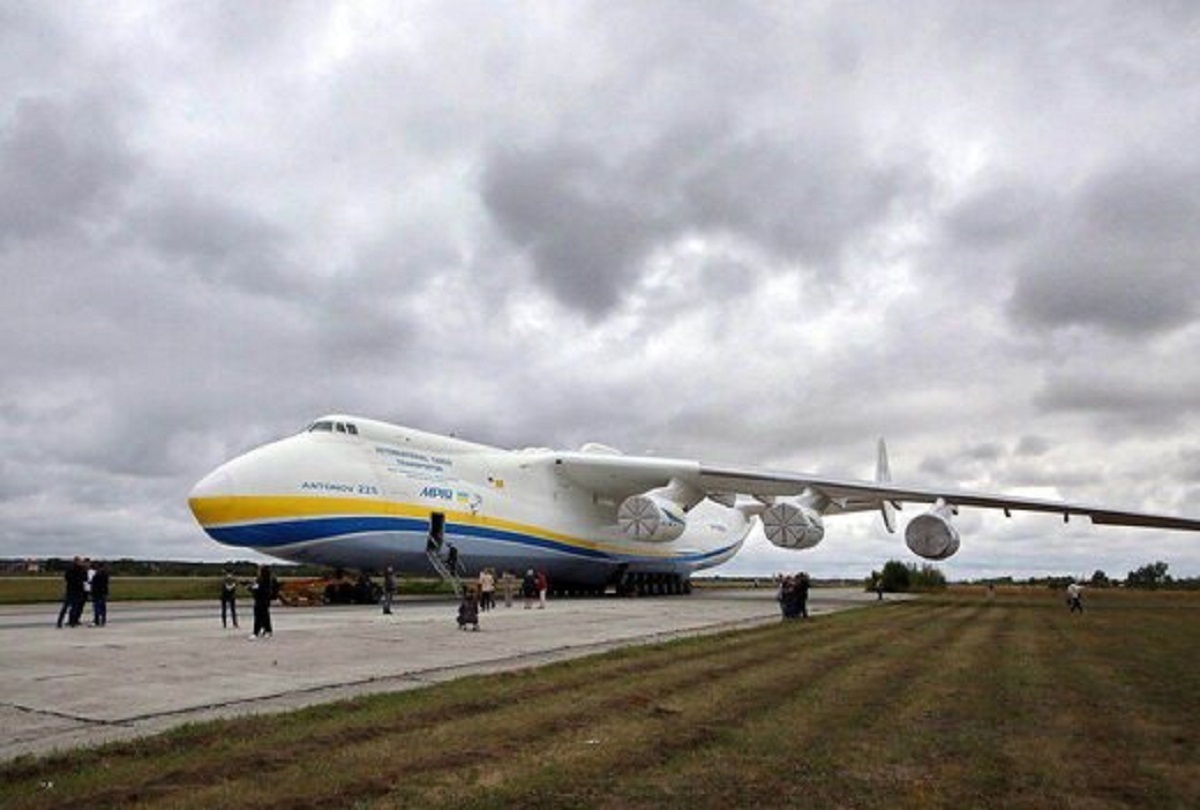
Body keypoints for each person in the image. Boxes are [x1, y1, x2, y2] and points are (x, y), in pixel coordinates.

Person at [56, 557, 86, 628]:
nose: (81, 563)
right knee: (73, 607)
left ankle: (60, 622)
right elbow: (84, 579)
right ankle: (72, 622)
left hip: (71, 590)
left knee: (67, 607)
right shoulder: (80, 570)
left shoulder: (70, 569)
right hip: (76, 591)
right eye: (80, 561)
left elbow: (67, 578)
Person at [249, 564, 276, 639]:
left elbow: (262, 590)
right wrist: (252, 588)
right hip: (259, 600)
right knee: (262, 616)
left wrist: (254, 588)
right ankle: (265, 631)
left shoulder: (266, 581)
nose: (258, 571)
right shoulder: (260, 580)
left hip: (263, 600)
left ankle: (258, 632)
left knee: (262, 616)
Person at [89, 561, 110, 627]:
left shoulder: (97, 575)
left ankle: (97, 620)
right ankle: (103, 620)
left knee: (97, 607)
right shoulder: (106, 574)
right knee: (102, 607)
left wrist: (91, 592)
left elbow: (94, 585)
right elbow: (106, 584)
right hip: (103, 592)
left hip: (97, 593)